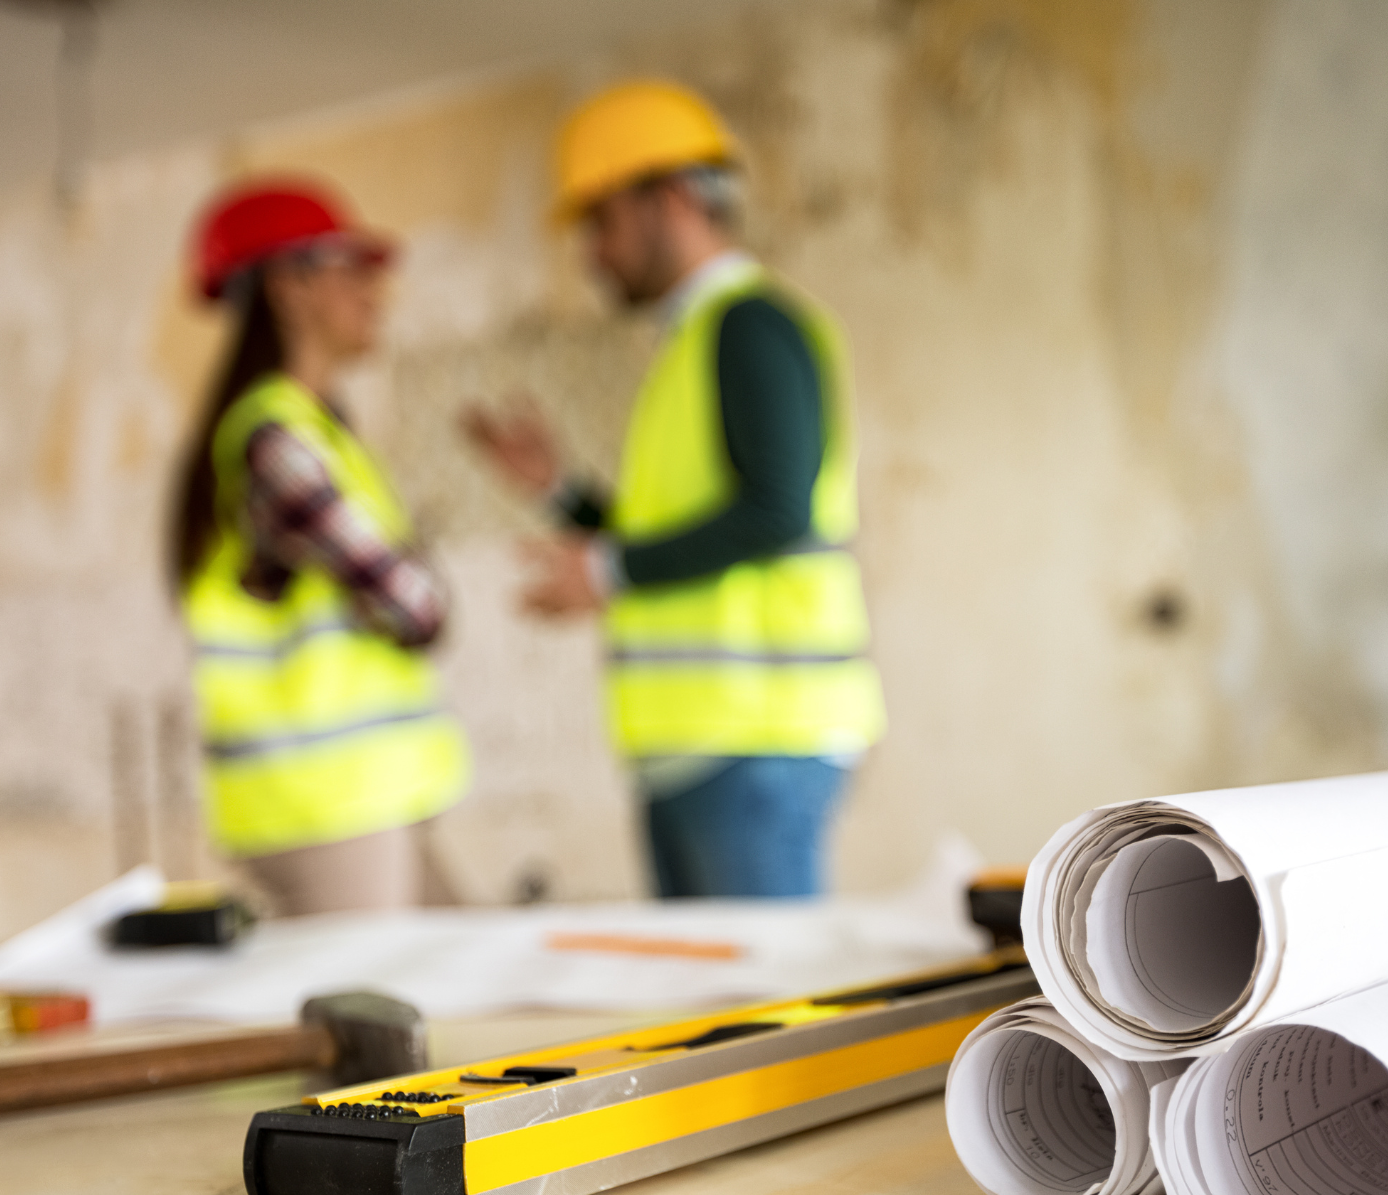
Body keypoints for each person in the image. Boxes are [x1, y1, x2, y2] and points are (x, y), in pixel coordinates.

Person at [462, 81, 884, 899]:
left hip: (757, 737)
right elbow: (681, 528)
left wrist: (606, 572)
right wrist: (562, 494)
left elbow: (774, 511)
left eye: (603, 218)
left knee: (768, 1014)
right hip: (704, 741)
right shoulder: (694, 340)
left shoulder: (750, 327)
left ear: (675, 196)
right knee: (719, 1019)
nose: (592, 251)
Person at [171, 179, 470, 915]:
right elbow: (416, 608)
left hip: (360, 796)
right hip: (325, 804)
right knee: (390, 1015)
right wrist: (417, 573)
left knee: (478, 982)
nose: (375, 290)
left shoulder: (316, 429)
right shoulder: (280, 441)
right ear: (288, 283)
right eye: (349, 267)